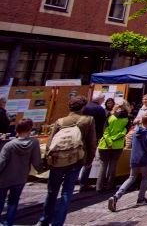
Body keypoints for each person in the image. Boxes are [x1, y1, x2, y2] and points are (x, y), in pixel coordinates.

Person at [39, 95, 96, 226]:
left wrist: (48, 158)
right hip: (77, 159)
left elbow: (51, 142)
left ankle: (44, 219)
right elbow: (91, 142)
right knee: (67, 192)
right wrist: (89, 160)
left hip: (57, 160)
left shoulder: (60, 121)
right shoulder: (88, 120)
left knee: (52, 191)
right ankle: (58, 223)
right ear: (83, 107)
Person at [0, 118, 45, 225]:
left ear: (17, 129)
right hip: (20, 177)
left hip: (4, 178)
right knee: (13, 202)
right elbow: (36, 161)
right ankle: (8, 223)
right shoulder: (34, 143)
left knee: (0, 201)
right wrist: (42, 170)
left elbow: (1, 162)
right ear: (30, 129)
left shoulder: (9, 145)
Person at [108, 114, 147, 212]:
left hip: (134, 158)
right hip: (145, 158)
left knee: (131, 178)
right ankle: (140, 198)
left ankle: (116, 196)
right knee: (145, 178)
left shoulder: (135, 131)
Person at [97, 104, 130, 193]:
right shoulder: (127, 119)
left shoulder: (110, 117)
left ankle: (99, 187)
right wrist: (115, 139)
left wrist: (109, 141)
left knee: (103, 166)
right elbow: (124, 132)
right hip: (118, 145)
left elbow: (105, 131)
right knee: (113, 165)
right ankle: (109, 186)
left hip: (105, 144)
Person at [79, 93, 108, 191]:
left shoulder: (84, 107)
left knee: (79, 158)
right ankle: (83, 182)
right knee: (89, 159)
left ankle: (74, 179)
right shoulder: (100, 109)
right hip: (93, 137)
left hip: (80, 136)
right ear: (100, 100)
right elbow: (102, 125)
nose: (104, 101)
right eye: (103, 99)